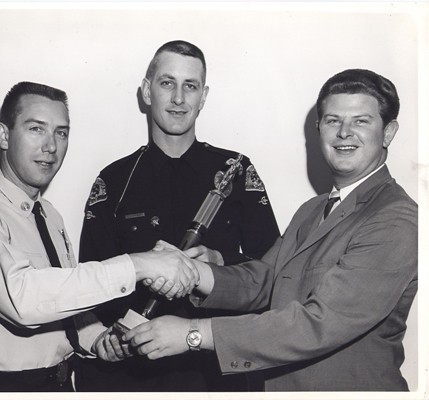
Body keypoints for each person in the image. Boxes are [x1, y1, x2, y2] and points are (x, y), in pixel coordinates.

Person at [126, 69, 418, 391]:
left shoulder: (397, 218)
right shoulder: (312, 210)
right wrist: (192, 271)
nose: (344, 133)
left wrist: (193, 334)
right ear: (319, 128)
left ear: (388, 132)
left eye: (361, 121)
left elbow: (317, 324)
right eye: (333, 120)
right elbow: (265, 280)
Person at [0, 81, 199, 392]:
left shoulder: (49, 215)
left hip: (61, 385)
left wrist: (98, 340)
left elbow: (64, 303)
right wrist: (138, 265)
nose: (50, 146)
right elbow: (24, 299)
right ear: (3, 135)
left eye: (61, 132)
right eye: (36, 129)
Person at [76, 40, 280, 391]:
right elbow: (88, 279)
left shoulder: (235, 170)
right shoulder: (114, 180)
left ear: (204, 96)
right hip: (132, 375)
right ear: (146, 91)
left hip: (217, 373)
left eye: (191, 86)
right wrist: (105, 337)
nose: (179, 98)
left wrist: (220, 260)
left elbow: (275, 272)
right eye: (167, 83)